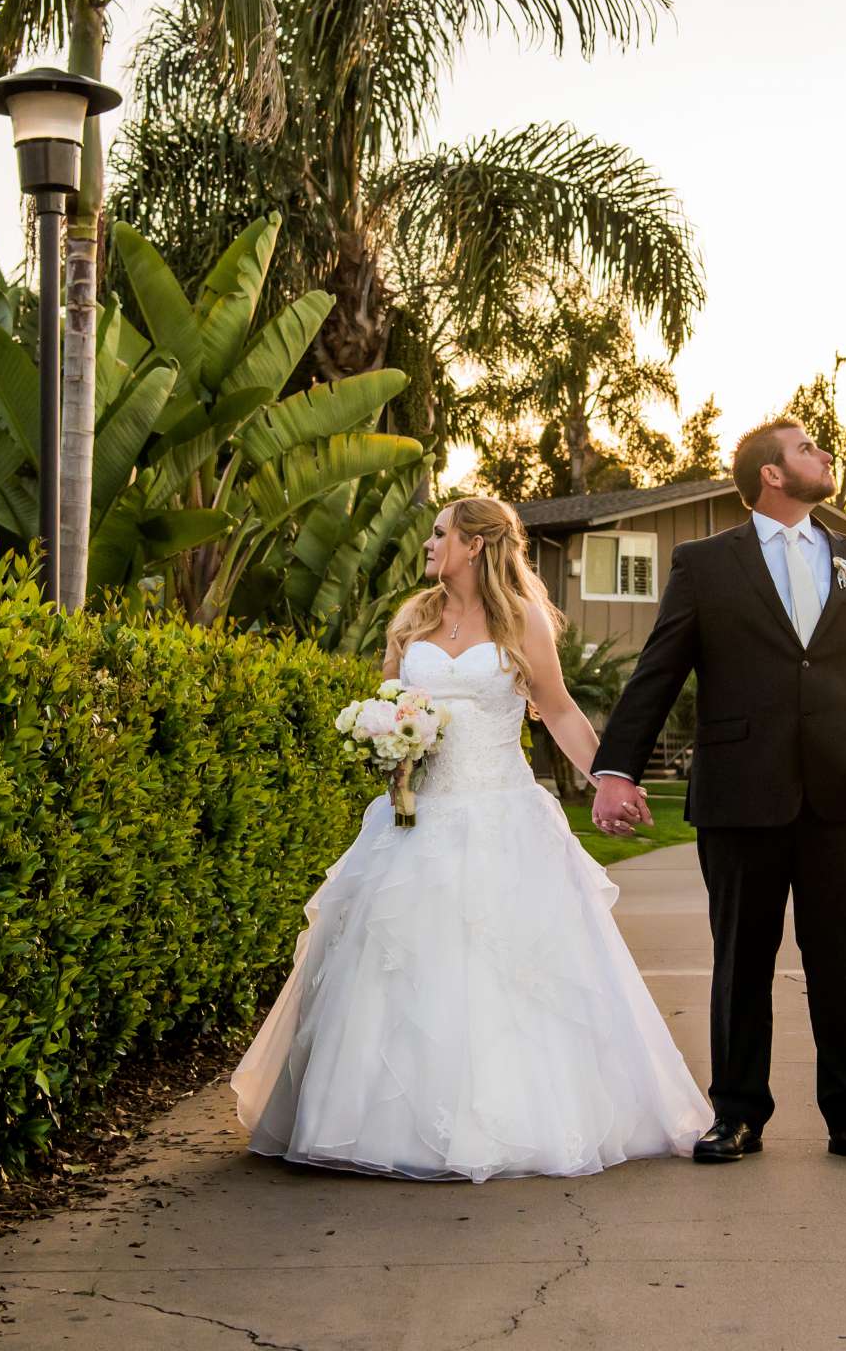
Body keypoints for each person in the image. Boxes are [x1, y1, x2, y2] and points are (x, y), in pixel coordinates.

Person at [230, 496, 712, 1182]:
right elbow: (387, 709)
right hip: (416, 819)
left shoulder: (524, 623)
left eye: (439, 534)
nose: (429, 545)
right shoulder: (412, 620)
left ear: (477, 544)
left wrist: (612, 778)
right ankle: (378, 1127)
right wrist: (385, 741)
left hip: (501, 817)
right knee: (396, 964)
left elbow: (559, 710)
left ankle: (510, 1125)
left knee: (505, 974)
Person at [590, 421, 846, 1169]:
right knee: (741, 961)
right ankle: (736, 1114)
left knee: (843, 961)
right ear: (770, 474)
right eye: (807, 449)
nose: (824, 456)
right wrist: (618, 768)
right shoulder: (706, 564)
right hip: (741, 795)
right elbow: (658, 669)